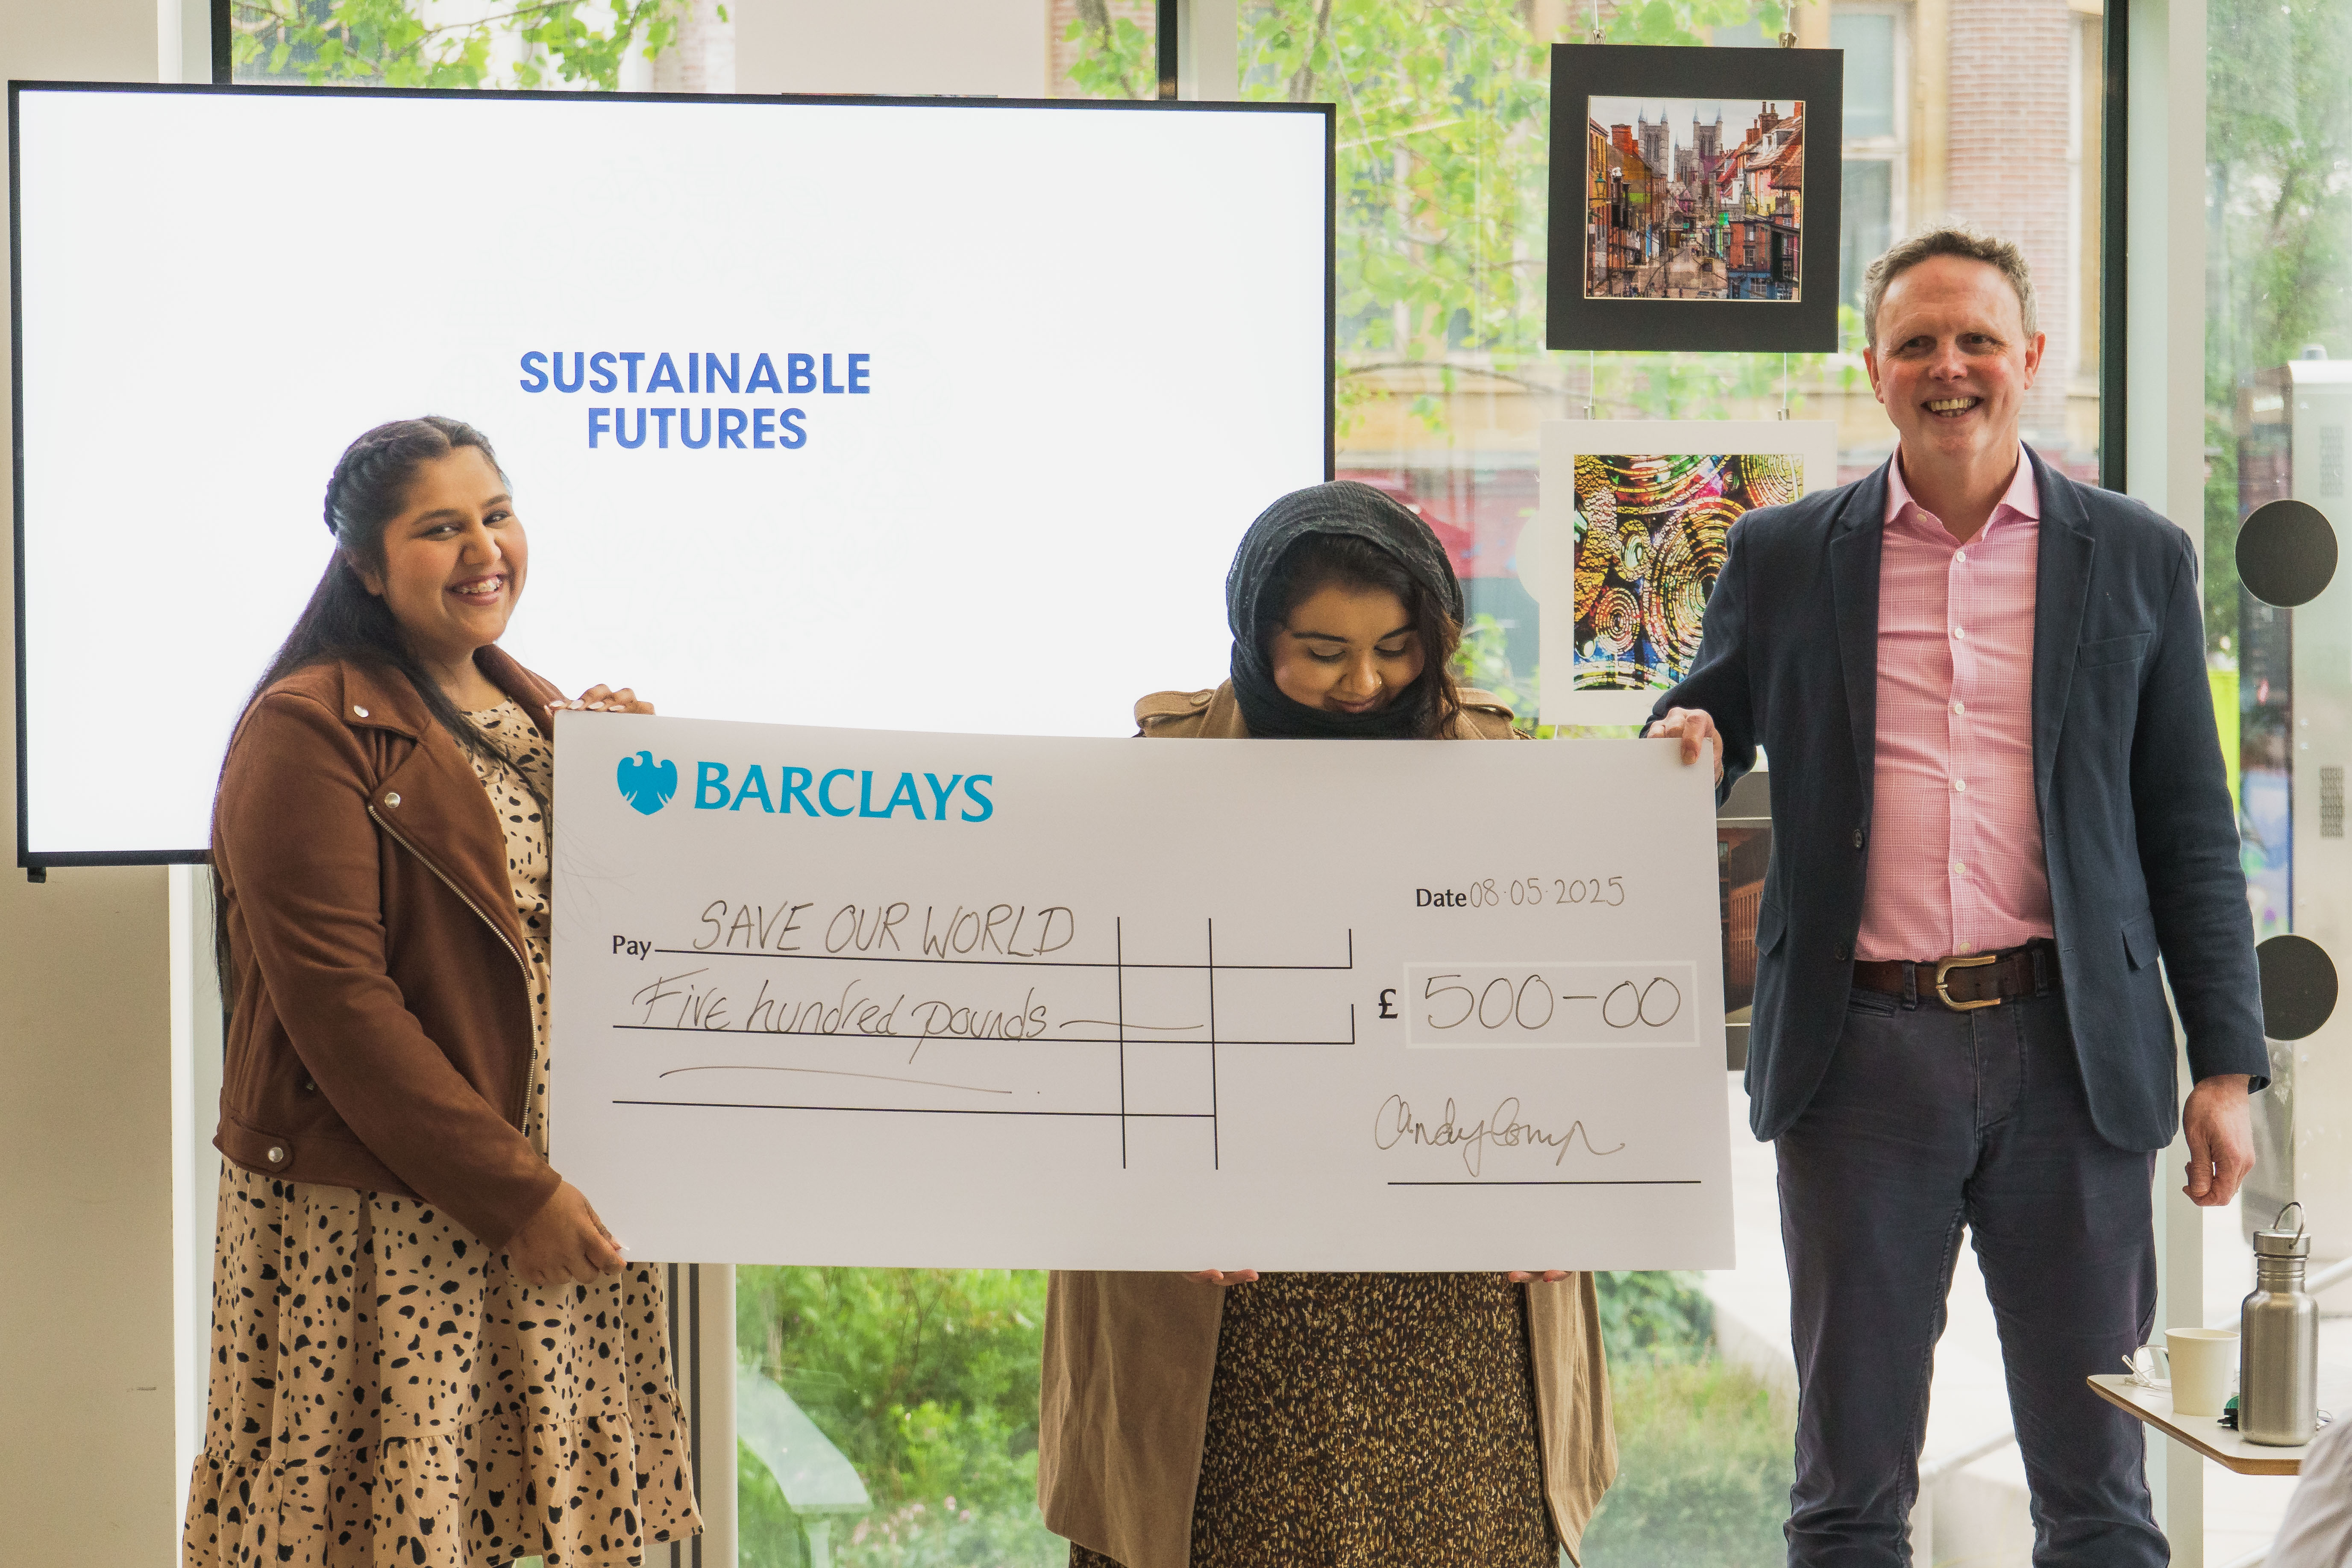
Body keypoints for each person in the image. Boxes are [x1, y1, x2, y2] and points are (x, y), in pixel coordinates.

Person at [1647, 226, 2270, 1565]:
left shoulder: (2138, 556)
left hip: (2072, 1058)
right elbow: (1704, 721)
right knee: (1847, 1496)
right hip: (1857, 1062)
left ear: (2028, 357)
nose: (1949, 366)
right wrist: (1685, 740)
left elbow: (2189, 827)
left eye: (1976, 339)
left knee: (2100, 1494)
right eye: (1917, 342)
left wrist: (2226, 1066)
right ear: (1873, 369)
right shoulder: (1782, 553)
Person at [1035, 481, 1617, 1568]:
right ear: (1257, 634)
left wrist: (1581, 1185)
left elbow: (1579, 1020)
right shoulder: (1155, 778)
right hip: (1221, 1304)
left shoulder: (1504, 767)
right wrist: (1149, 1199)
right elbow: (1079, 1038)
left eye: (1396, 647)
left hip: (1451, 1307)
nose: (1363, 683)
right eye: (1321, 651)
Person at [183, 417, 701, 1567]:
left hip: (552, 1187)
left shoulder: (540, 707)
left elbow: (611, 935)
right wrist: (514, 1195)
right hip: (396, 1205)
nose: (484, 548)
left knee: (521, 1521)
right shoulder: (307, 725)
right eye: (440, 527)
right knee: (390, 1527)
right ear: (366, 565)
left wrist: (642, 784)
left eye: (497, 514)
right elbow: (341, 1008)